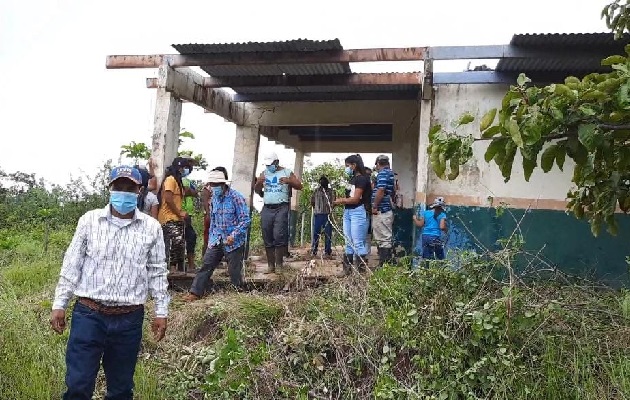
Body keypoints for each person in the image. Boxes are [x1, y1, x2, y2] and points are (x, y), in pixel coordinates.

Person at [50, 165, 170, 400]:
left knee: (121, 390)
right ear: (110, 189)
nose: (124, 192)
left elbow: (157, 271)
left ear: (140, 191)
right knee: (77, 386)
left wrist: (161, 311)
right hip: (89, 315)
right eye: (119, 187)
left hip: (129, 319)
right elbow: (72, 264)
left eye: (130, 188)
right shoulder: (89, 221)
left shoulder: (151, 228)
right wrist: (59, 304)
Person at [183, 170, 251, 301]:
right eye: (211, 185)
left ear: (222, 184)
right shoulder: (214, 199)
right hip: (216, 239)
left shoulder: (236, 197)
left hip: (233, 242)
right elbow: (213, 221)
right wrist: (211, 239)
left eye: (215, 185)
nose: (213, 187)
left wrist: (234, 235)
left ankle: (238, 296)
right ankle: (195, 293)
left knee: (234, 271)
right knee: (206, 266)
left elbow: (245, 220)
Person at [254, 151, 303, 273]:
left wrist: (289, 181)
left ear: (276, 162)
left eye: (270, 164)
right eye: (266, 165)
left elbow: (299, 185)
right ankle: (271, 266)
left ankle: (279, 265)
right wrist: (259, 182)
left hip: (281, 207)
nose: (268, 167)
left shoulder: (286, 172)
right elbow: (256, 190)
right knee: (267, 234)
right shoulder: (263, 174)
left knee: (278, 235)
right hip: (267, 207)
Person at [333, 154, 372, 275]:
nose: (347, 168)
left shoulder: (362, 179)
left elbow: (355, 199)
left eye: (348, 166)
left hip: (358, 211)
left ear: (354, 166)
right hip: (348, 211)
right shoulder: (353, 179)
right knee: (348, 242)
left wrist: (340, 201)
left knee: (358, 242)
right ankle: (347, 270)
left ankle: (360, 272)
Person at [157, 157, 189, 272]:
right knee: (177, 240)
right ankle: (172, 268)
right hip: (168, 217)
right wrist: (179, 212)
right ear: (179, 168)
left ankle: (176, 268)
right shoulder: (170, 179)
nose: (185, 171)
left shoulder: (178, 182)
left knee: (180, 244)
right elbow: (168, 198)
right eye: (184, 168)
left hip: (176, 218)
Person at [371, 155, 396, 268]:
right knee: (383, 238)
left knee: (384, 238)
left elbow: (381, 190)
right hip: (385, 210)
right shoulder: (390, 173)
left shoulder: (383, 173)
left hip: (382, 210)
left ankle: (385, 266)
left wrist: (375, 206)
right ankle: (384, 265)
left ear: (378, 163)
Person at [201, 166, 229, 257]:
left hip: (222, 217)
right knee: (209, 238)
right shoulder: (208, 187)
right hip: (211, 215)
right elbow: (205, 200)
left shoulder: (224, 187)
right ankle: (206, 258)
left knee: (221, 238)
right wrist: (208, 213)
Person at [413, 197, 448, 261]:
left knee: (426, 257)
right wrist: (446, 229)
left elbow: (420, 224)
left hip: (425, 236)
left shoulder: (426, 213)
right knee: (440, 257)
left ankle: (426, 269)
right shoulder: (442, 215)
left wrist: (415, 219)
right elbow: (442, 227)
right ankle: (441, 268)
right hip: (435, 236)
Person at [310, 176, 335, 259]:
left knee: (328, 234)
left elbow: (334, 202)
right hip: (318, 214)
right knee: (316, 233)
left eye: (324, 181)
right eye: (321, 181)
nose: (322, 183)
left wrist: (329, 209)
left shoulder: (331, 192)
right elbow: (312, 202)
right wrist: (318, 208)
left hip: (327, 215)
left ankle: (328, 251)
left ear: (327, 183)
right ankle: (314, 251)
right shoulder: (316, 191)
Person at [181, 158, 198, 272]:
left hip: (188, 214)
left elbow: (195, 193)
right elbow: (187, 191)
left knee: (190, 238)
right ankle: (186, 266)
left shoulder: (188, 180)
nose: (189, 169)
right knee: (183, 240)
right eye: (188, 167)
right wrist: (192, 191)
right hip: (180, 214)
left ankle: (191, 265)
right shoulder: (178, 179)